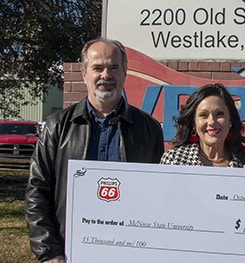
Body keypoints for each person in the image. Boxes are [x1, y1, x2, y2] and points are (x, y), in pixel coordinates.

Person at [25, 37, 165, 263]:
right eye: (97, 68)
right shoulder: (57, 127)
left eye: (113, 68)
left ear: (124, 73)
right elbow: (37, 193)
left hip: (130, 253)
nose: (105, 75)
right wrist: (49, 252)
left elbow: (161, 194)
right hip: (70, 253)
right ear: (84, 74)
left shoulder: (149, 129)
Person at [161, 83, 245, 168]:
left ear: (230, 120)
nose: (212, 121)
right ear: (193, 123)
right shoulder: (174, 160)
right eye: (203, 115)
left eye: (219, 114)